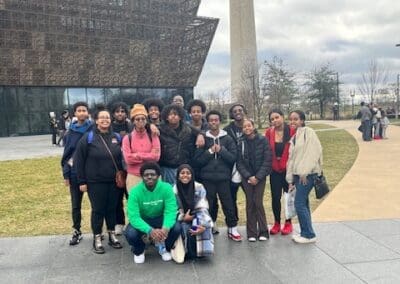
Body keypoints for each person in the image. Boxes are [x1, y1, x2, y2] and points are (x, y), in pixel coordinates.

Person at [74, 105, 124, 254]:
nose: (104, 120)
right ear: (96, 120)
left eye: (107, 117)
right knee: (98, 210)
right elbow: (79, 160)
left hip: (113, 182)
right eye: (101, 117)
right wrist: (81, 181)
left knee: (111, 209)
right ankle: (97, 238)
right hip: (95, 182)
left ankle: (112, 235)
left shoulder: (117, 137)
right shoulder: (88, 138)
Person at [194, 110, 242, 241]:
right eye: (211, 120)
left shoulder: (227, 138)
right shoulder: (203, 138)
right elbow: (197, 161)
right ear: (208, 122)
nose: (213, 122)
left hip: (223, 179)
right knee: (208, 204)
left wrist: (221, 150)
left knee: (228, 203)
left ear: (219, 121)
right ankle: (209, 227)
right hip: (207, 178)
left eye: (216, 120)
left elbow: (233, 158)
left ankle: (232, 228)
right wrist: (209, 151)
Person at [124, 162, 181, 264]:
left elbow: (171, 210)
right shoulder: (134, 192)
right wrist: (150, 230)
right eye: (146, 175)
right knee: (130, 233)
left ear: (158, 176)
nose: (149, 177)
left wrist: (166, 227)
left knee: (177, 228)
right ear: (142, 177)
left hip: (160, 218)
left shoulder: (166, 188)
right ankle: (139, 250)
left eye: (153, 175)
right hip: (143, 219)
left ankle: (163, 246)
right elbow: (134, 217)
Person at [286, 110, 323, 244]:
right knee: (304, 204)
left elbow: (313, 152)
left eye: (296, 119)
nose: (293, 122)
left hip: (307, 175)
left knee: (299, 204)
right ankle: (307, 232)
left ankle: (308, 234)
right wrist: (290, 179)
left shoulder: (308, 132)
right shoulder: (295, 136)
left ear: (302, 120)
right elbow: (291, 159)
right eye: (291, 119)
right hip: (297, 175)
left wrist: (304, 171)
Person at [61, 102, 93, 245]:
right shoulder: (70, 132)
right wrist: (66, 174)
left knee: (96, 205)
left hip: (92, 172)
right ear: (75, 113)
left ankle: (97, 231)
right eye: (78, 110)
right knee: (76, 205)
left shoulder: (93, 129)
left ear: (88, 113)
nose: (81, 113)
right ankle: (77, 231)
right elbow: (67, 155)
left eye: (84, 110)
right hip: (75, 173)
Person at [237, 119, 272, 241]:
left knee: (258, 202)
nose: (247, 128)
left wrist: (257, 177)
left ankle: (263, 231)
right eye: (244, 126)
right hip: (247, 178)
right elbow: (239, 163)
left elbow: (267, 160)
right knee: (250, 203)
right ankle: (251, 233)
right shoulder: (240, 142)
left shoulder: (263, 140)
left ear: (253, 126)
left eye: (249, 125)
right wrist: (248, 176)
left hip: (260, 177)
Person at [264, 109, 296, 235]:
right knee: (275, 197)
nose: (275, 120)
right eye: (272, 119)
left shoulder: (292, 131)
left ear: (282, 117)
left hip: (289, 171)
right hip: (274, 170)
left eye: (277, 117)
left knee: (288, 197)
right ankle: (277, 223)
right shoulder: (269, 132)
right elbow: (266, 150)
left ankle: (288, 223)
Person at [174, 164, 214, 259]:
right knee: (185, 229)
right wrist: (183, 217)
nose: (185, 175)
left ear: (192, 175)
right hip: (180, 218)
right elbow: (171, 210)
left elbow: (203, 207)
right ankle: (188, 252)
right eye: (182, 173)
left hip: (198, 216)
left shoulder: (199, 187)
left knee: (199, 227)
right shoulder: (174, 190)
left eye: (188, 173)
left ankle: (202, 252)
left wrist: (202, 225)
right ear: (178, 176)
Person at [122, 104, 160, 193]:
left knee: (154, 203)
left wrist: (137, 155)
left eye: (143, 119)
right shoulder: (127, 138)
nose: (140, 121)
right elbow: (128, 159)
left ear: (146, 120)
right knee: (136, 204)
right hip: (134, 176)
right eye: (137, 119)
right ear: (133, 121)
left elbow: (156, 157)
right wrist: (148, 156)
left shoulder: (153, 136)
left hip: (152, 176)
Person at [158, 104, 201, 184]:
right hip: (167, 168)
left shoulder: (188, 129)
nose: (173, 116)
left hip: (184, 168)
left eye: (175, 114)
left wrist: (201, 135)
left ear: (180, 116)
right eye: (170, 114)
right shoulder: (160, 130)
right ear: (166, 117)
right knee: (170, 192)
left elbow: (201, 132)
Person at [223, 103, 247, 226]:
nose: (238, 112)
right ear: (231, 114)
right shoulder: (227, 130)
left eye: (240, 110)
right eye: (235, 111)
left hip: (247, 168)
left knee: (251, 197)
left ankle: (253, 222)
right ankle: (233, 223)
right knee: (231, 198)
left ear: (244, 112)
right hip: (231, 168)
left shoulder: (249, 126)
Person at [111, 101, 132, 235]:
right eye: (117, 111)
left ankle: (132, 222)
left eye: (123, 111)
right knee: (117, 197)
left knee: (131, 196)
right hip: (115, 166)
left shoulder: (131, 126)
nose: (120, 113)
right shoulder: (110, 127)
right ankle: (119, 222)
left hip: (130, 168)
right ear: (113, 113)